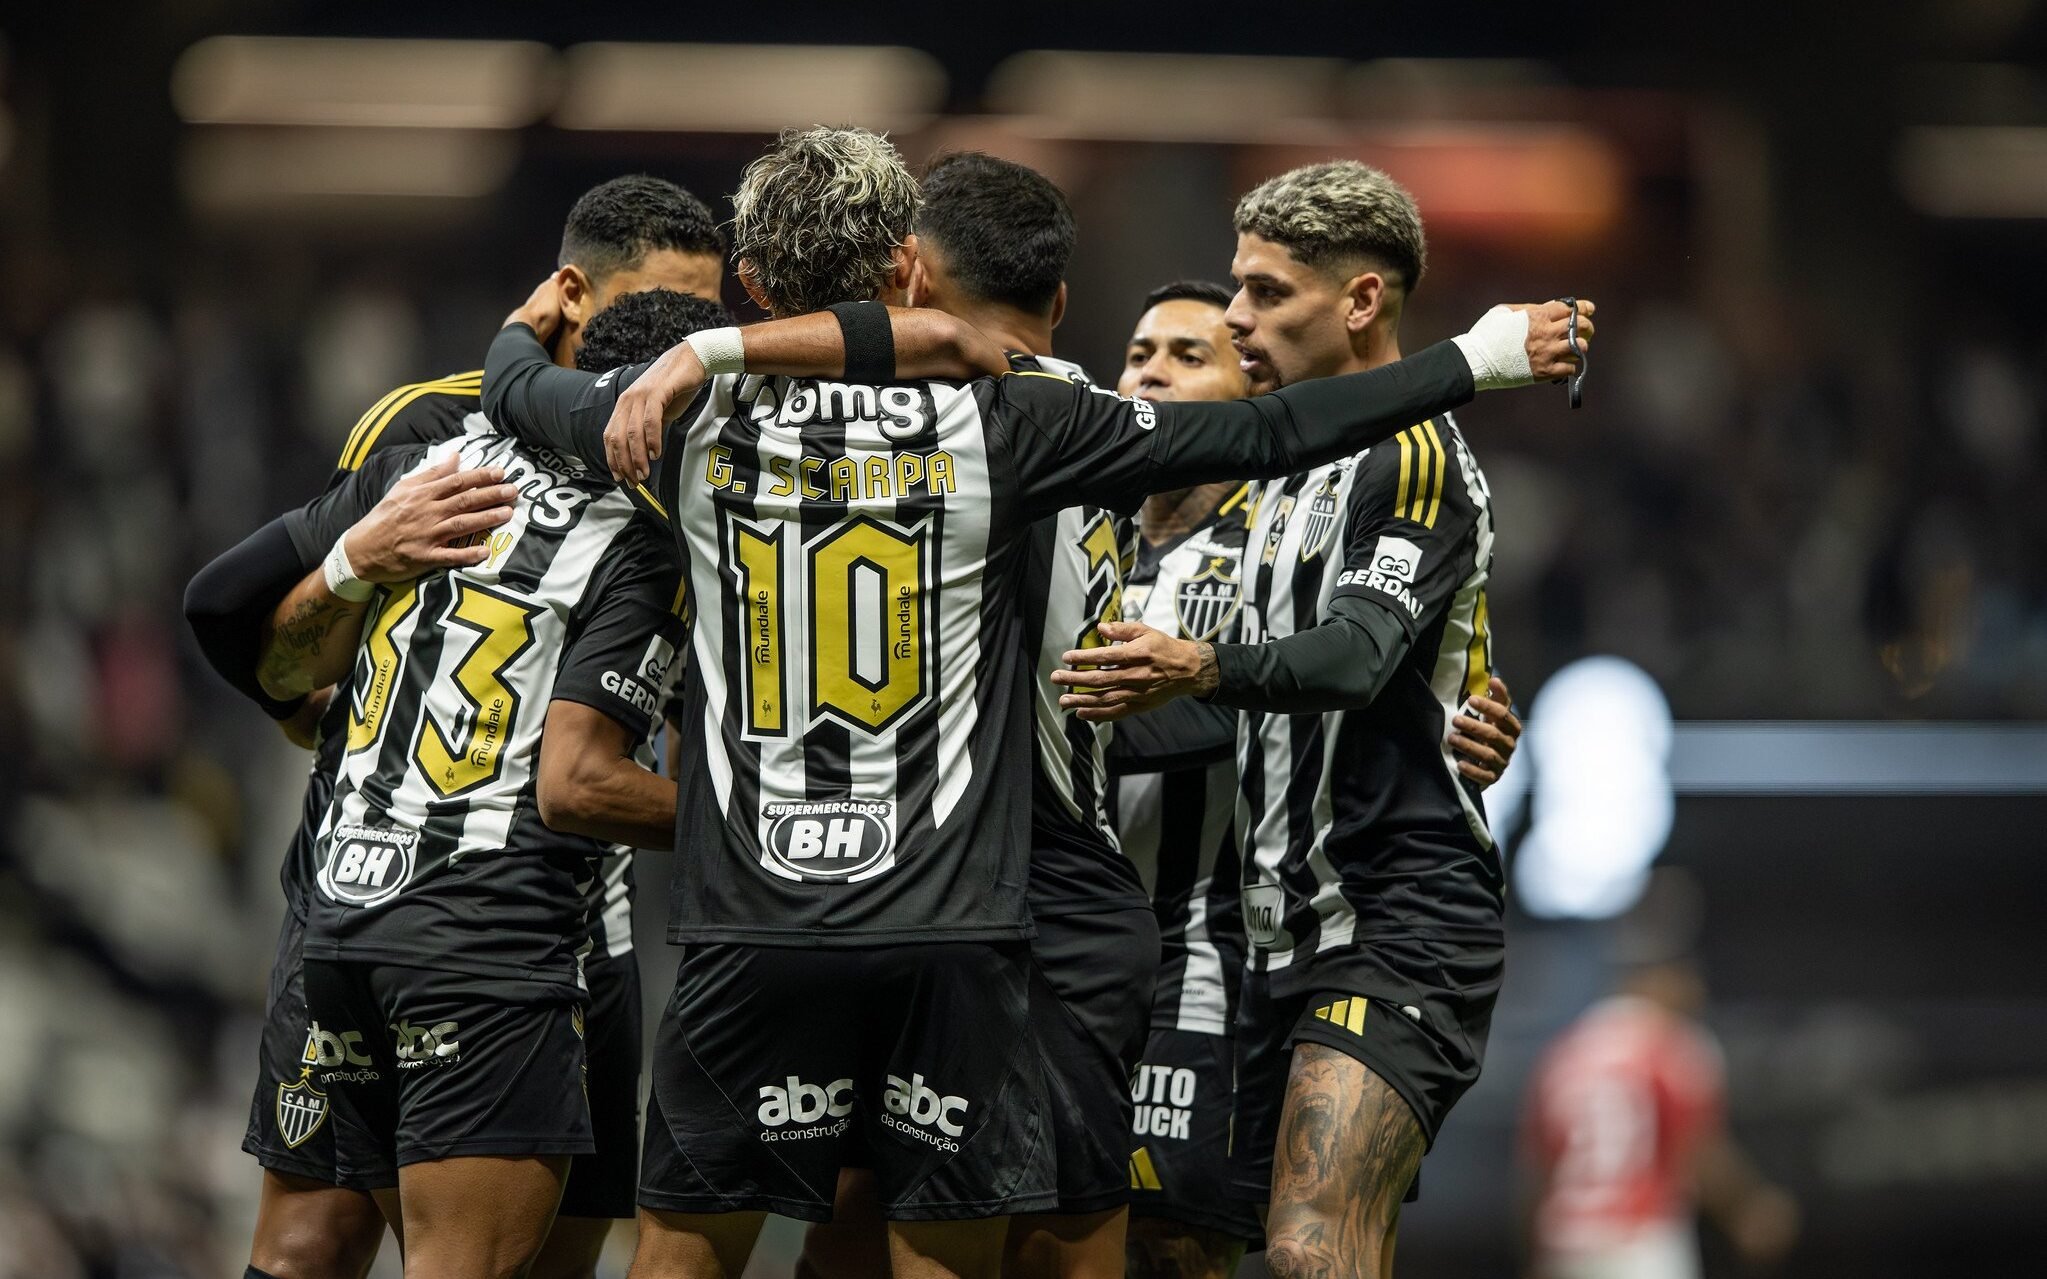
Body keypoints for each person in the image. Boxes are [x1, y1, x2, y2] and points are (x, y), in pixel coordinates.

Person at [483, 125, 1590, 1279]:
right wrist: (1477, 359)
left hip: (758, 915)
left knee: (720, 1248)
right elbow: (1271, 433)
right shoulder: (1020, 413)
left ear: (756, 286)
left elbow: (516, 388)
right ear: (902, 271)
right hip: (968, 916)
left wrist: (664, 345)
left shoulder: (674, 423)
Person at [190, 168, 732, 1279]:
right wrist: (348, 576)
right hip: (476, 915)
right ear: (571, 294)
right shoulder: (430, 429)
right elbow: (295, 651)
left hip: (570, 919)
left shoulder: (468, 450)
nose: (682, 359)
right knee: (353, 1243)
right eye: (666, 319)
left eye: (705, 327)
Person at [1052, 161, 1579, 1277]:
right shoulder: (1279, 472)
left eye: (1264, 292)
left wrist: (1198, 661)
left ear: (1360, 301)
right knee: (1249, 1249)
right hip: (1276, 934)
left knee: (1307, 1247)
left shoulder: (1416, 457)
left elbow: (1351, 654)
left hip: (1397, 917)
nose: (1236, 315)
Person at [799, 149, 1161, 1279]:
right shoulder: (1116, 424)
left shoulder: (860, 420)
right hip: (1076, 892)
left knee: (859, 1225)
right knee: (1064, 1230)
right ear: (1059, 303)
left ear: (904, 274)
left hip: (895, 869)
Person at [1523, 913, 1798, 1279]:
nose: (1694, 987)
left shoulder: (1565, 1052)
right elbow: (1699, 1150)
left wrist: (1534, 1256)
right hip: (1640, 1246)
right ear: (1655, 977)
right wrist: (1746, 1207)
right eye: (1683, 974)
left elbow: (1534, 1173)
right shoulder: (1670, 1044)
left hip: (1566, 1246)